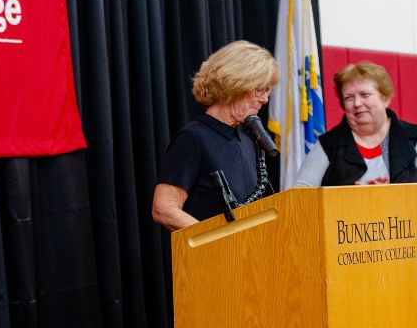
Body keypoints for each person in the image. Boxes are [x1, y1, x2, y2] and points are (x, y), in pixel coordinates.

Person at [152, 40, 280, 229]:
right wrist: (215, 240)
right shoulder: (193, 138)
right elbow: (164, 208)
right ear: (234, 83)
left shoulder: (247, 141)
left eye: (267, 91)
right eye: (259, 89)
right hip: (210, 257)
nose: (265, 99)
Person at [294, 61, 417, 186]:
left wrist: (386, 196)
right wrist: (353, 197)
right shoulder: (329, 145)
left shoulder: (413, 138)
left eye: (365, 95)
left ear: (385, 98)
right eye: (349, 98)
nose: (357, 103)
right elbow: (300, 194)